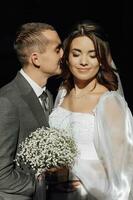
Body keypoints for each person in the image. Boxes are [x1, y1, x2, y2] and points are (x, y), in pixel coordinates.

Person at [49, 20, 133, 200]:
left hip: (89, 194)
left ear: (102, 60)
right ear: (67, 57)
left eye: (92, 55)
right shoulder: (63, 92)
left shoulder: (109, 103)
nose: (83, 62)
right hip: (54, 192)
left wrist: (75, 173)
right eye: (76, 54)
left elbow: (123, 169)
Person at [0, 22, 63, 200]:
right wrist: (44, 185)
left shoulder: (49, 96)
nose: (63, 55)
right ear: (35, 59)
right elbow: (1, 175)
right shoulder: (7, 101)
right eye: (57, 49)